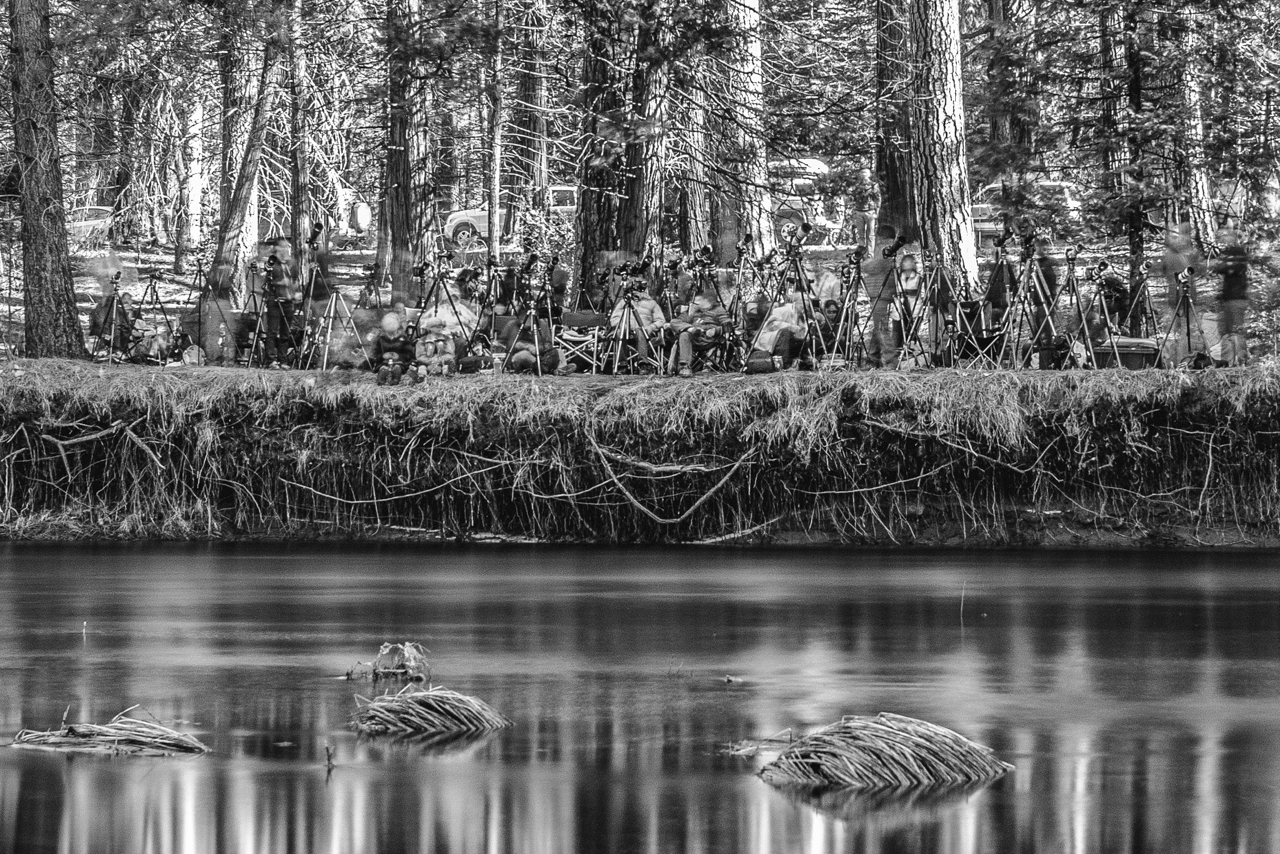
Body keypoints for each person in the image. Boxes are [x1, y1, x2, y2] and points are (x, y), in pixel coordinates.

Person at [671, 291, 734, 378]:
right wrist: (690, 325)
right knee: (684, 334)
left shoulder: (718, 310)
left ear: (708, 300)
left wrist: (715, 331)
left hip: (709, 338)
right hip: (694, 336)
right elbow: (676, 322)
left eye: (700, 300)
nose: (697, 303)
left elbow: (728, 324)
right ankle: (684, 367)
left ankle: (692, 330)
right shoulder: (693, 311)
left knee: (686, 333)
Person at [608, 279, 667, 371]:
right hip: (627, 333)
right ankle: (622, 364)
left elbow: (661, 320)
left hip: (646, 333)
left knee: (641, 330)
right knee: (620, 332)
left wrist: (651, 327)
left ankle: (643, 363)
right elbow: (614, 319)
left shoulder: (651, 303)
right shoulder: (624, 302)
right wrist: (622, 326)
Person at [1215, 227, 1250, 366]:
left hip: (1236, 299)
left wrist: (1223, 264)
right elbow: (1219, 268)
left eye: (1225, 237)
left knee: (1236, 332)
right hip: (1228, 298)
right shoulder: (1228, 253)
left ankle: (1240, 363)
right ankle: (1228, 363)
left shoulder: (1238, 253)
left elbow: (1228, 268)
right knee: (1226, 333)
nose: (1223, 240)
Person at [263, 249, 297, 369]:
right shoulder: (272, 264)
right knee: (272, 331)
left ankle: (283, 360)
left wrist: (294, 293)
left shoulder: (290, 265)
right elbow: (266, 276)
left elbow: (293, 281)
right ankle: (271, 360)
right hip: (275, 299)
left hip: (288, 300)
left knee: (285, 332)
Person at [843, 167, 882, 250]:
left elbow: (878, 199)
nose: (864, 175)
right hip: (859, 211)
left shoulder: (873, 185)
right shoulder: (857, 186)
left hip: (870, 211)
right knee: (860, 234)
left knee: (870, 234)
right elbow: (853, 198)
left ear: (869, 174)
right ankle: (862, 253)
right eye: (862, 173)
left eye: (865, 173)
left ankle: (870, 254)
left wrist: (877, 212)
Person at [372, 311, 413, 385]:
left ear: (398, 324)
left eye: (392, 323)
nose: (390, 325)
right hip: (383, 361)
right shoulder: (380, 338)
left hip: (399, 361)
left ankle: (396, 378)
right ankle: (381, 378)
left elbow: (409, 353)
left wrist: (399, 356)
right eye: (388, 324)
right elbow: (374, 353)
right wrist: (382, 356)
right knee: (383, 367)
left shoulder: (403, 338)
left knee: (398, 367)